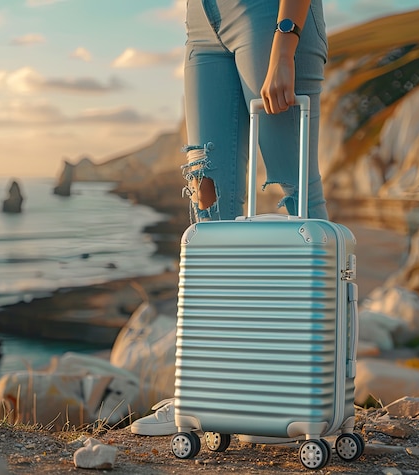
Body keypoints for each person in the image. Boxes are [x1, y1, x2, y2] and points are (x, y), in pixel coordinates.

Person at [131, 0, 329, 437]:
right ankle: (207, 393)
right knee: (209, 204)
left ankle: (314, 396)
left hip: (270, 17)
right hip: (201, 23)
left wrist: (285, 41)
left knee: (296, 198)